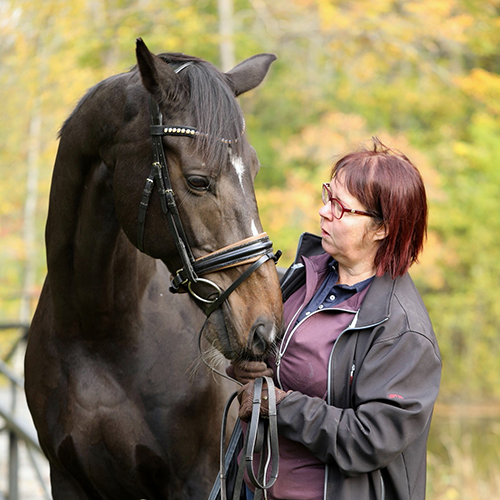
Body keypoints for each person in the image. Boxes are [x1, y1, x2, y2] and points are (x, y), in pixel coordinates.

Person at [228, 138, 442, 500]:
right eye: (328, 196)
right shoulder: (301, 278)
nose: (324, 211)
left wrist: (281, 405)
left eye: (341, 207)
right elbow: (280, 365)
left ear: (381, 229)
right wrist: (250, 368)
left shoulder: (403, 332)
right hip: (254, 487)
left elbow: (369, 439)